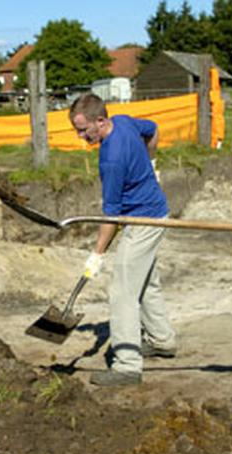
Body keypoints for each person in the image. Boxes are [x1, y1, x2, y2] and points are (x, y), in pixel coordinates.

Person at [69, 93, 177, 387]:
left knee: (122, 292)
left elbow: (111, 217)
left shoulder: (111, 160)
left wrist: (97, 254)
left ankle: (127, 365)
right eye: (77, 130)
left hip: (143, 221)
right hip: (156, 211)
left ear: (100, 121)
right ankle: (162, 340)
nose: (81, 137)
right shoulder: (125, 123)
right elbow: (153, 130)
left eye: (83, 130)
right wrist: (151, 160)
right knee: (145, 281)